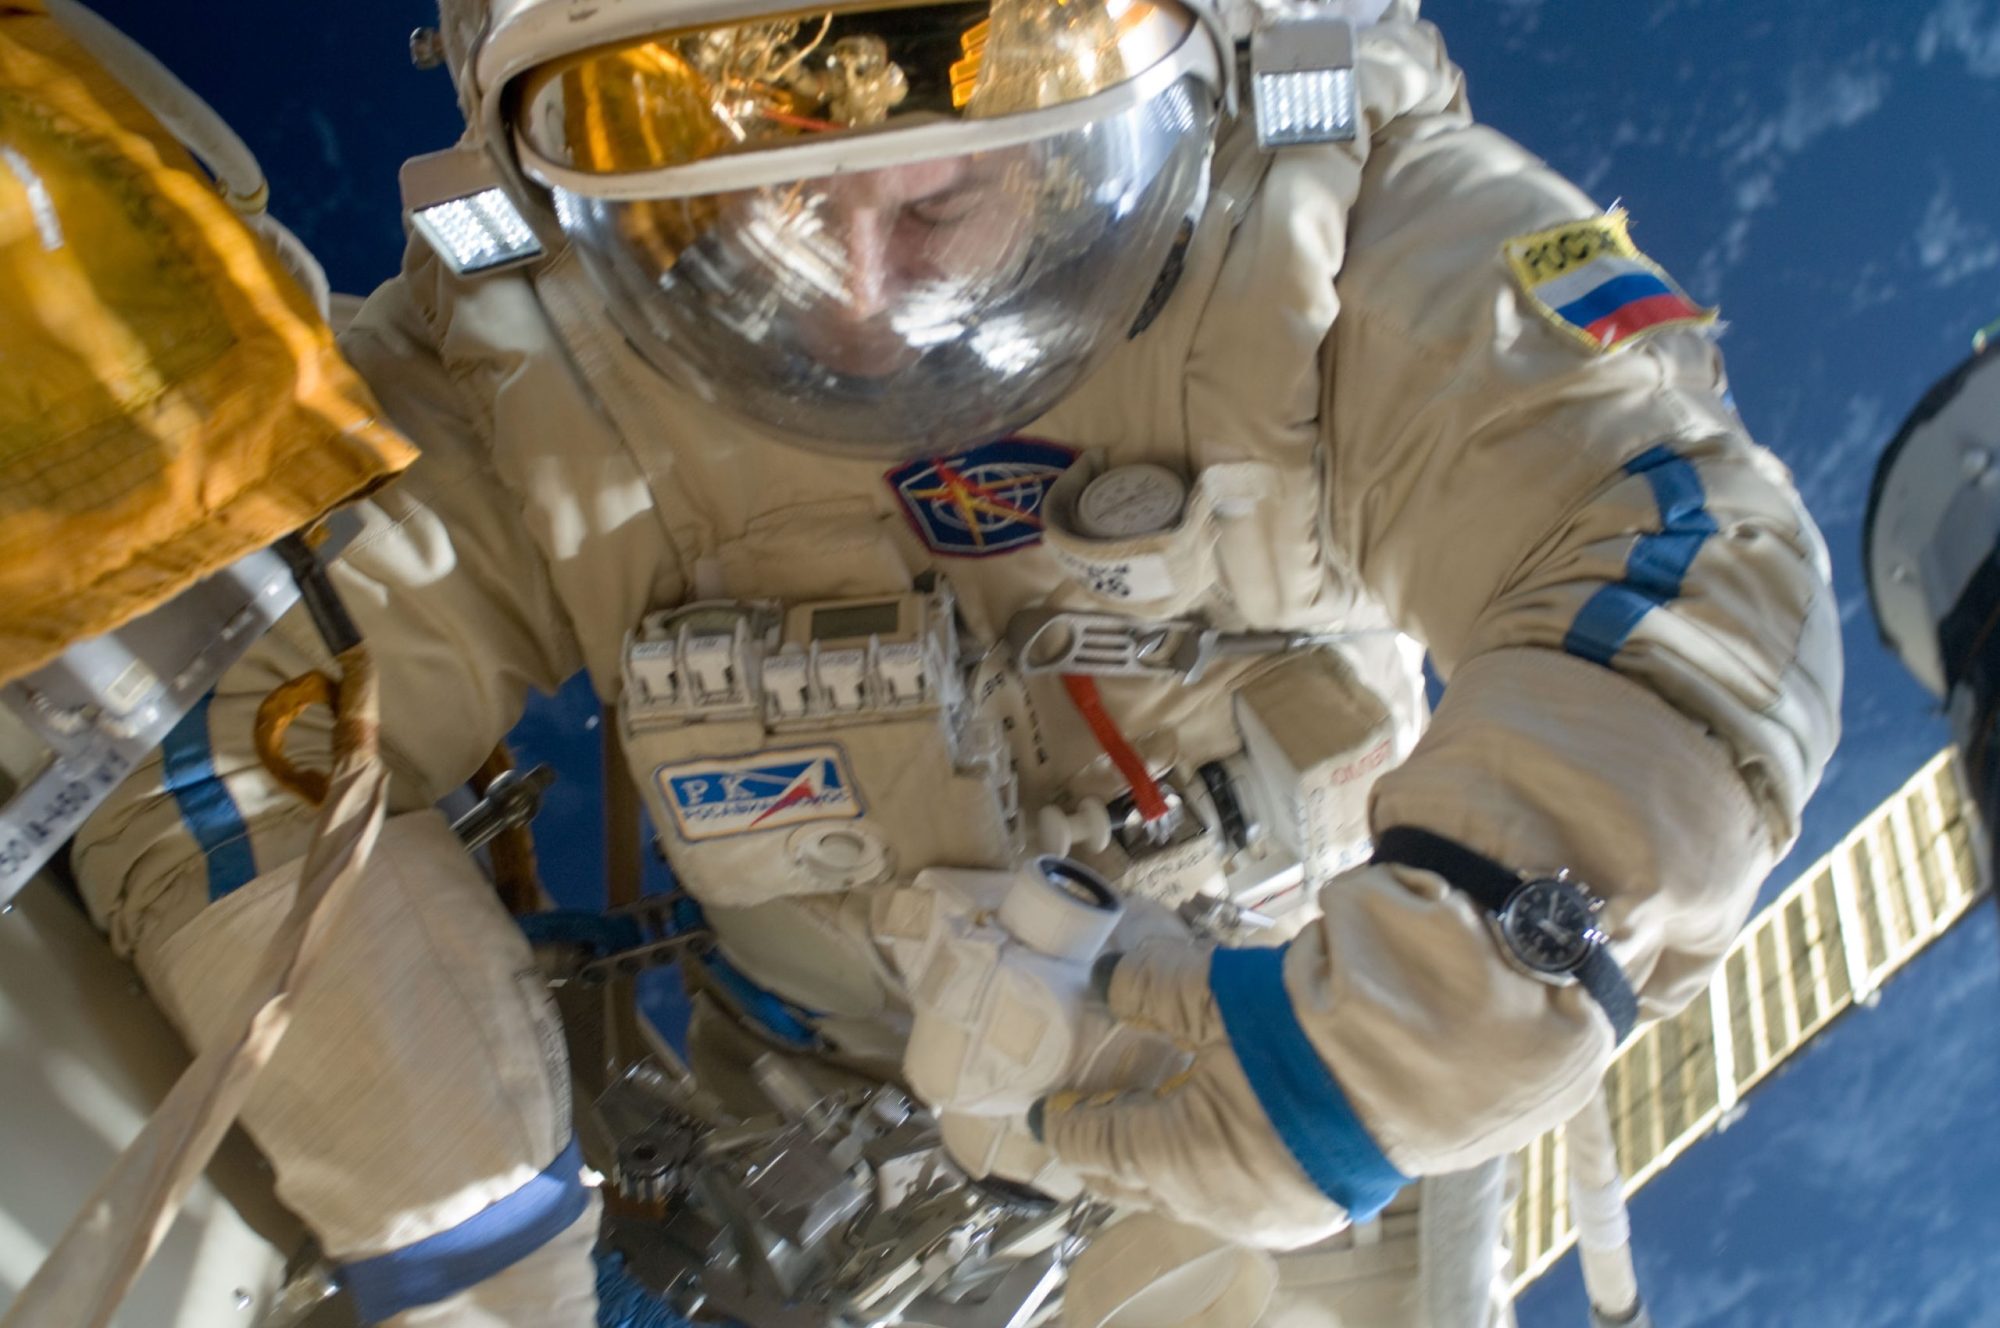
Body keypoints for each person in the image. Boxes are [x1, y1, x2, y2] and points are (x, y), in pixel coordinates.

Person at [71, 0, 1841, 1322]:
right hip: (796, 1100)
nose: (857, 293)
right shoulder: (531, 364)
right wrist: (469, 1236)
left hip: (1231, 1083)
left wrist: (1372, 1058)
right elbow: (219, 719)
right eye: (723, 193)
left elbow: (1674, 567)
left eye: (949, 156)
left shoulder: (1334, 232)